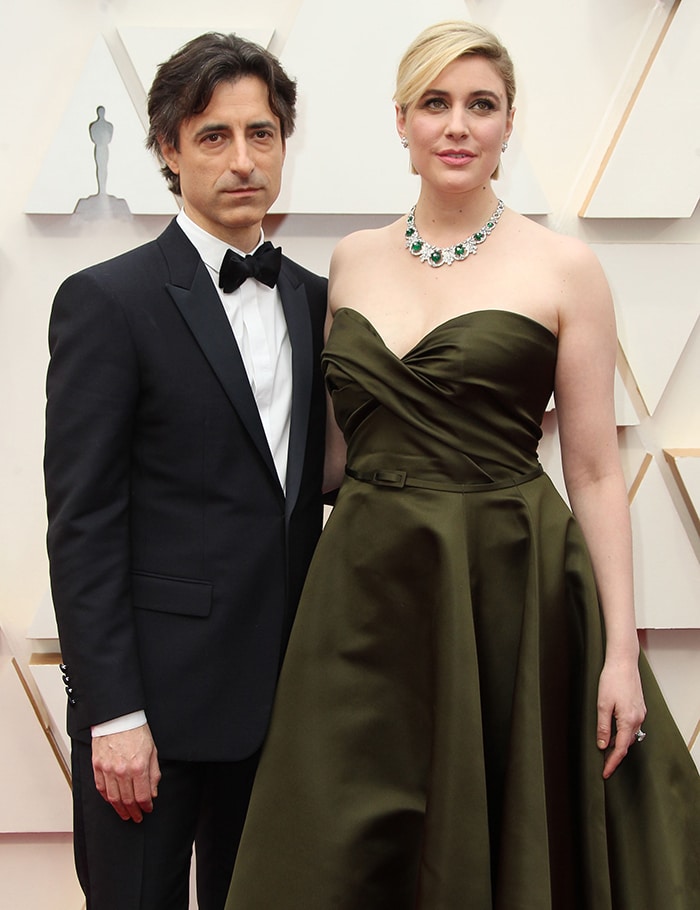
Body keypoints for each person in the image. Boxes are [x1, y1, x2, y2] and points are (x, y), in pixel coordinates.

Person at [226, 19, 700, 909]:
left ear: (508, 125)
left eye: (480, 105)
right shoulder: (351, 260)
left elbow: (596, 472)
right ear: (401, 122)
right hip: (366, 593)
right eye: (435, 103)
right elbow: (333, 453)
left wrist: (622, 654)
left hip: (508, 585)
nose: (457, 125)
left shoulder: (566, 269)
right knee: (339, 844)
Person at [44, 32, 327, 910]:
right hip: (149, 720)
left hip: (279, 710)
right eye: (213, 136)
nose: (243, 160)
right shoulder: (107, 300)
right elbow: (82, 525)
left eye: (262, 134)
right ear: (168, 148)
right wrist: (115, 715)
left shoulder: (317, 300)